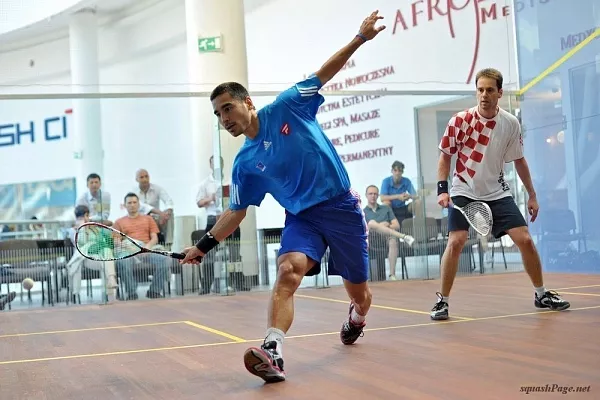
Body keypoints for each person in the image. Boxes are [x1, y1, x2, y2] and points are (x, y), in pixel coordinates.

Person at [180, 11, 386, 383]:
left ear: (249, 103)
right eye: (217, 114)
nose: (224, 118)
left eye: (228, 107)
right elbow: (236, 211)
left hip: (341, 209)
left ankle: (357, 316)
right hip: (302, 219)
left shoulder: (289, 104)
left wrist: (360, 37)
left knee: (360, 293)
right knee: (288, 271)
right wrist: (204, 245)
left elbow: (325, 72)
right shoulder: (244, 164)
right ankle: (272, 350)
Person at [430, 67, 570, 321]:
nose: (484, 95)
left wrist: (532, 194)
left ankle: (541, 294)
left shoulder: (510, 123)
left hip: (497, 192)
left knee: (525, 239)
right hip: (464, 190)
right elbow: (445, 156)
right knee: (456, 241)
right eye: (480, 90)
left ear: (500, 93)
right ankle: (443, 301)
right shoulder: (460, 120)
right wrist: (442, 190)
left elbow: (519, 160)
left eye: (489, 90)